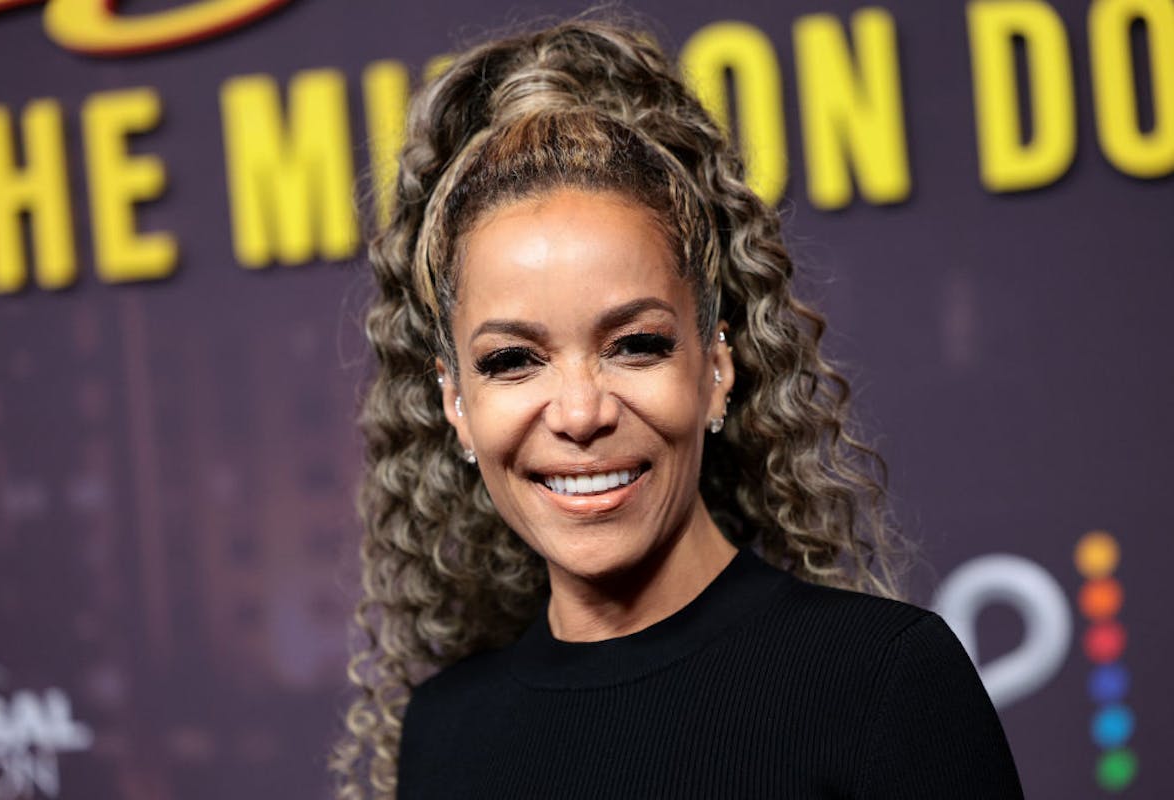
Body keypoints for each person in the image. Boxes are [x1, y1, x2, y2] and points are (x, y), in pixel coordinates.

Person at [332, 17, 1024, 800]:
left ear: (716, 368)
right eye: (511, 360)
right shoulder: (444, 737)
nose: (580, 413)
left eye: (635, 345)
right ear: (455, 402)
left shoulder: (879, 683)